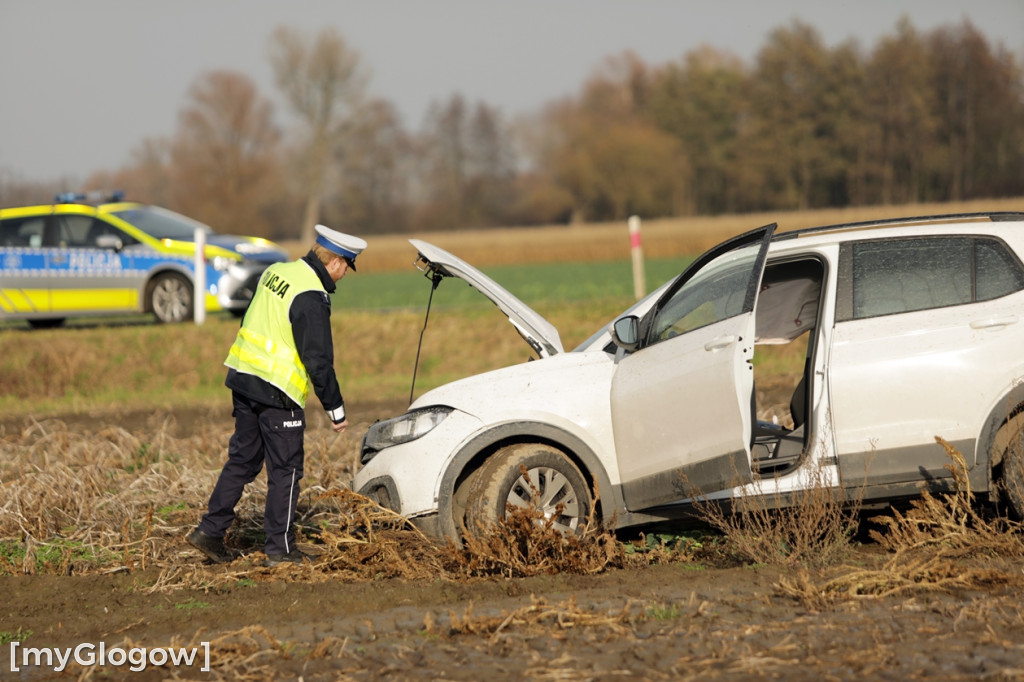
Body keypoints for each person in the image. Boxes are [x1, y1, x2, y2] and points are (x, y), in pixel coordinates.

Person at [187, 224, 366, 567]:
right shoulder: (312, 296)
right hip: (277, 392)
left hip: (243, 378)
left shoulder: (277, 271)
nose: (345, 274)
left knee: (242, 461)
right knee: (286, 471)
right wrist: (335, 408)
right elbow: (318, 360)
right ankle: (280, 550)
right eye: (347, 266)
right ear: (336, 262)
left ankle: (209, 531)